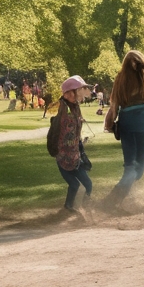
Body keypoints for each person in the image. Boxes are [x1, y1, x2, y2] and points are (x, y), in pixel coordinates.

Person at [103, 50, 144, 204]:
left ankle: (116, 198)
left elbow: (114, 103)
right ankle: (113, 199)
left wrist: (110, 122)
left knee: (130, 166)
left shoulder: (120, 78)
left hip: (126, 121)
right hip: (141, 120)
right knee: (138, 170)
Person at [55, 76, 92, 214]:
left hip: (75, 155)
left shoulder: (75, 107)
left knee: (88, 184)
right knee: (74, 184)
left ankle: (85, 207)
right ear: (66, 94)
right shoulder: (63, 108)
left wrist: (81, 148)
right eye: (70, 92)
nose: (75, 95)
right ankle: (68, 207)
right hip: (64, 156)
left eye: (76, 91)